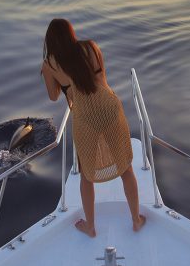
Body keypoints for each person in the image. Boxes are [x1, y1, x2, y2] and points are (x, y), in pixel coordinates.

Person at [39, 18, 146, 237]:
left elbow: (52, 97)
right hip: (109, 106)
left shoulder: (49, 63)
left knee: (86, 175)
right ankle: (136, 220)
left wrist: (59, 79)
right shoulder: (90, 47)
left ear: (50, 40)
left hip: (84, 116)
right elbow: (102, 80)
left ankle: (90, 227)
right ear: (71, 33)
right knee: (126, 167)